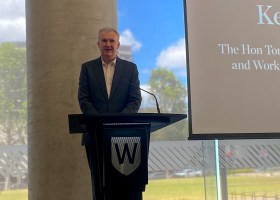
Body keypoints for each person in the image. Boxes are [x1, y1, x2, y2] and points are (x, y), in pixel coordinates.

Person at [78, 27, 142, 200]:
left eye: (111, 41)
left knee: (125, 186)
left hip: (125, 138)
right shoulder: (87, 68)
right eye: (104, 41)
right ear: (98, 44)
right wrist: (100, 123)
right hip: (95, 136)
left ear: (118, 44)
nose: (108, 44)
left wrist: (117, 123)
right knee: (99, 185)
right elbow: (84, 100)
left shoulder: (130, 69)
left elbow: (135, 100)